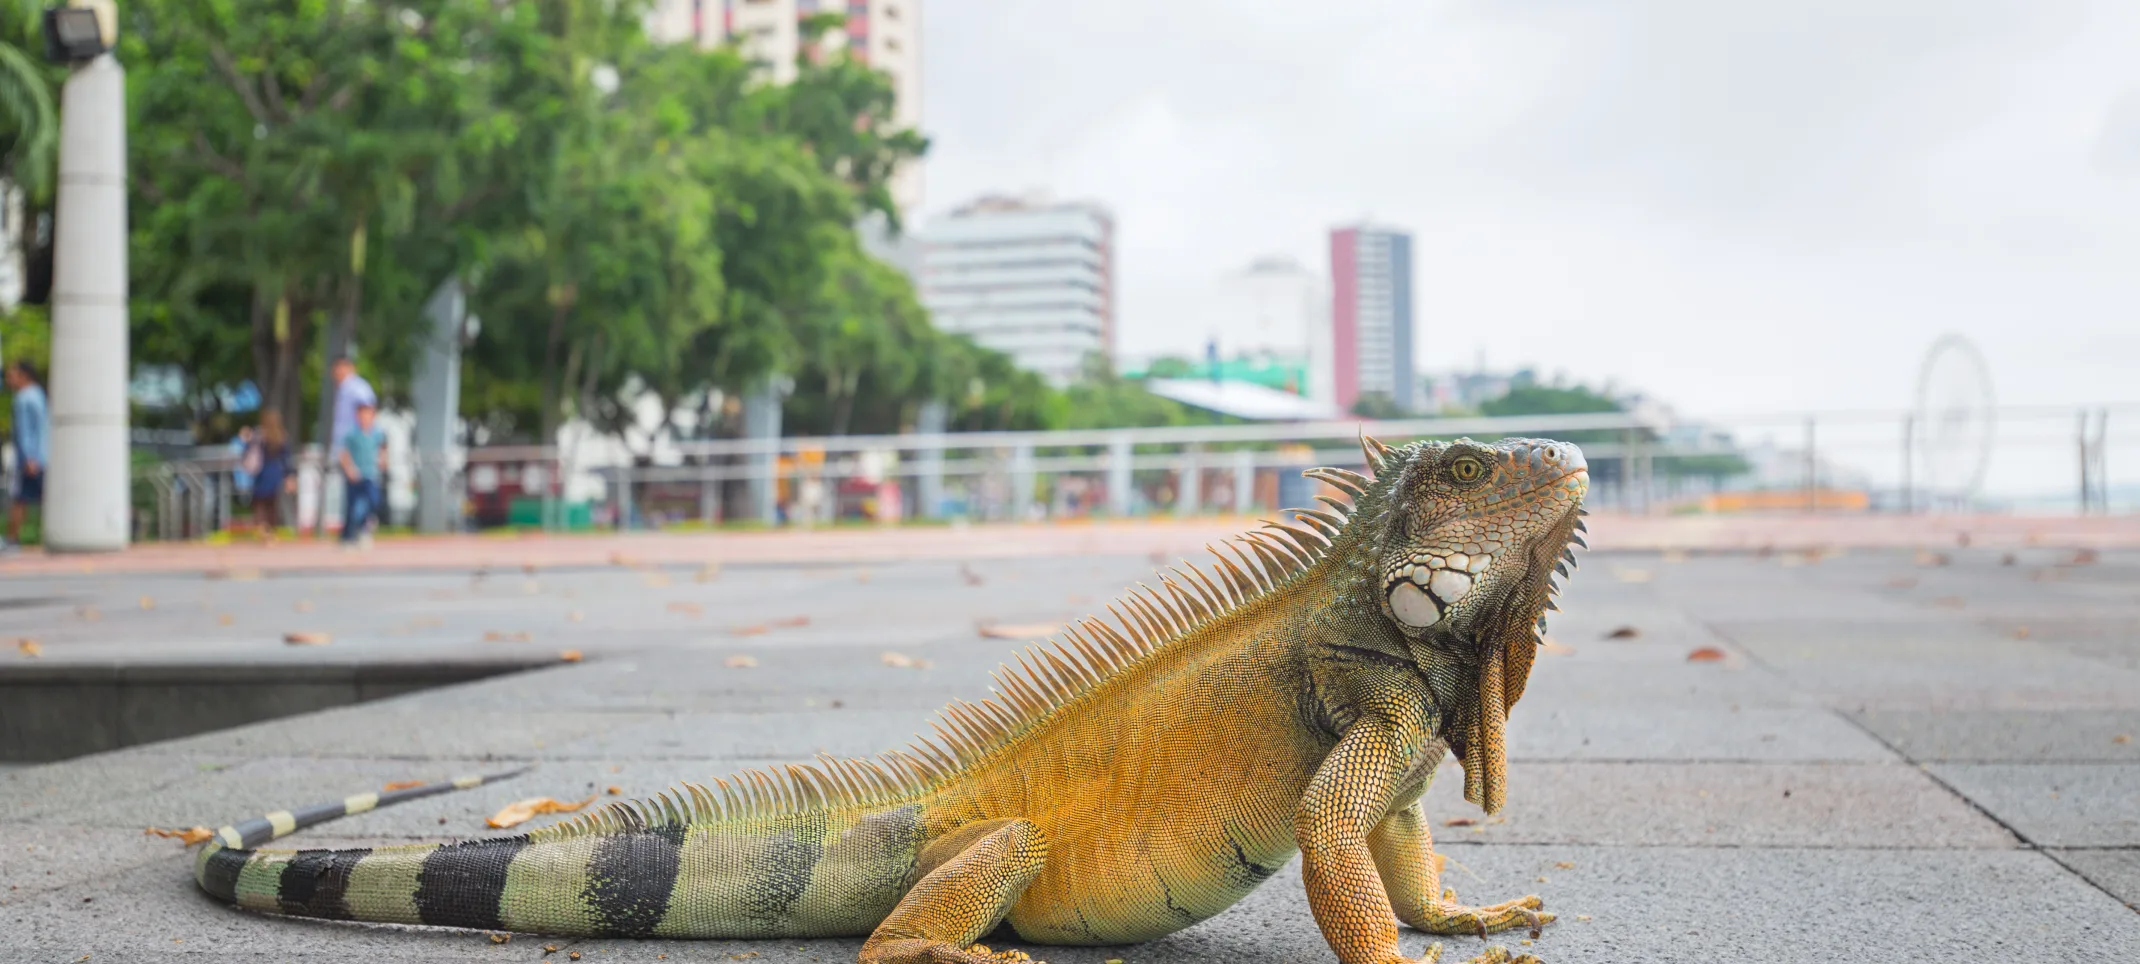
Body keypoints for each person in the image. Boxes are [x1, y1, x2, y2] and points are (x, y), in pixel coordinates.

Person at [5, 361, 46, 550]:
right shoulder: (40, 395)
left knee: (19, 499)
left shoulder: (23, 398)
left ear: (23, 375)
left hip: (29, 459)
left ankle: (12, 540)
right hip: (45, 457)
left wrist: (29, 457)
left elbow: (25, 431)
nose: (8, 379)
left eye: (12, 375)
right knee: (44, 497)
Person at [338, 402, 385, 547]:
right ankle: (348, 536)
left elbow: (382, 450)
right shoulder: (352, 434)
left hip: (371, 474)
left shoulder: (377, 433)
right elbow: (344, 454)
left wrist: (383, 461)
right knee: (353, 506)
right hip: (355, 475)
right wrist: (349, 469)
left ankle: (365, 525)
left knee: (373, 500)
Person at [248, 410, 295, 540]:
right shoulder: (282, 437)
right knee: (272, 504)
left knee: (259, 503)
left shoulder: (260, 435)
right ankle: (271, 532)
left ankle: (262, 530)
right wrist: (289, 476)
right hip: (275, 472)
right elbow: (287, 459)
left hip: (261, 472)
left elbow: (249, 452)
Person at [228, 425, 256, 495]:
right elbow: (236, 457)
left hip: (249, 481)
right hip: (241, 481)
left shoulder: (251, 443)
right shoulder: (236, 443)